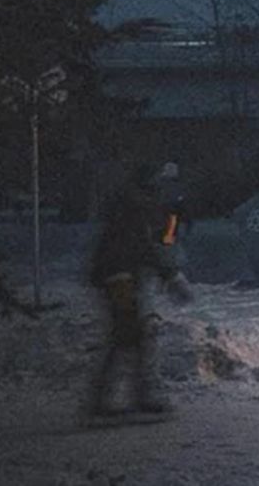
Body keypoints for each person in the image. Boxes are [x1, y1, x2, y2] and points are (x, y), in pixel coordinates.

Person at [87, 161, 189, 417]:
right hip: (118, 277)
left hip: (119, 276)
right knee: (130, 335)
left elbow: (145, 246)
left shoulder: (134, 205)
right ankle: (119, 401)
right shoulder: (135, 208)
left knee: (128, 337)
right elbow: (141, 247)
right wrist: (170, 276)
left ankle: (114, 399)